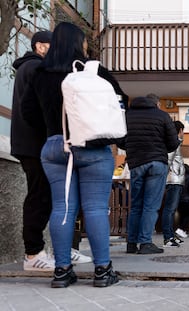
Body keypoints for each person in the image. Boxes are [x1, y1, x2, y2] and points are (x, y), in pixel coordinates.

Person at [21, 22, 127, 288]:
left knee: (62, 207)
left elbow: (28, 113)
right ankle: (103, 270)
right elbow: (120, 102)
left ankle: (62, 271)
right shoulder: (94, 71)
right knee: (95, 208)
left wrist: (52, 129)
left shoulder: (40, 72)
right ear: (79, 44)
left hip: (55, 147)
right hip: (92, 147)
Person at [10, 30, 91, 272]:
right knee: (40, 198)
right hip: (34, 145)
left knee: (55, 198)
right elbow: (35, 112)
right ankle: (33, 254)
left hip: (36, 144)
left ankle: (61, 250)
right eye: (53, 46)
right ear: (40, 47)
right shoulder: (35, 69)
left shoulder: (33, 68)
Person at [124, 95, 180, 254]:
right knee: (150, 205)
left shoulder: (127, 116)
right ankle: (145, 243)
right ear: (157, 104)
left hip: (136, 163)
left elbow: (120, 140)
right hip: (156, 163)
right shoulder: (162, 115)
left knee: (136, 205)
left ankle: (131, 243)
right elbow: (173, 143)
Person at [162, 121, 185, 247]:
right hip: (173, 181)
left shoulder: (176, 143)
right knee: (169, 210)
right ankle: (168, 237)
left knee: (171, 210)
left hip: (177, 180)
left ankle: (171, 234)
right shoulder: (172, 143)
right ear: (180, 130)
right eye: (183, 131)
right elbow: (168, 161)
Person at [176, 164, 189, 237]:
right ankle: (181, 229)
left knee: (182, 216)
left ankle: (182, 231)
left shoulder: (179, 178)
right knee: (188, 216)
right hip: (188, 200)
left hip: (179, 200)